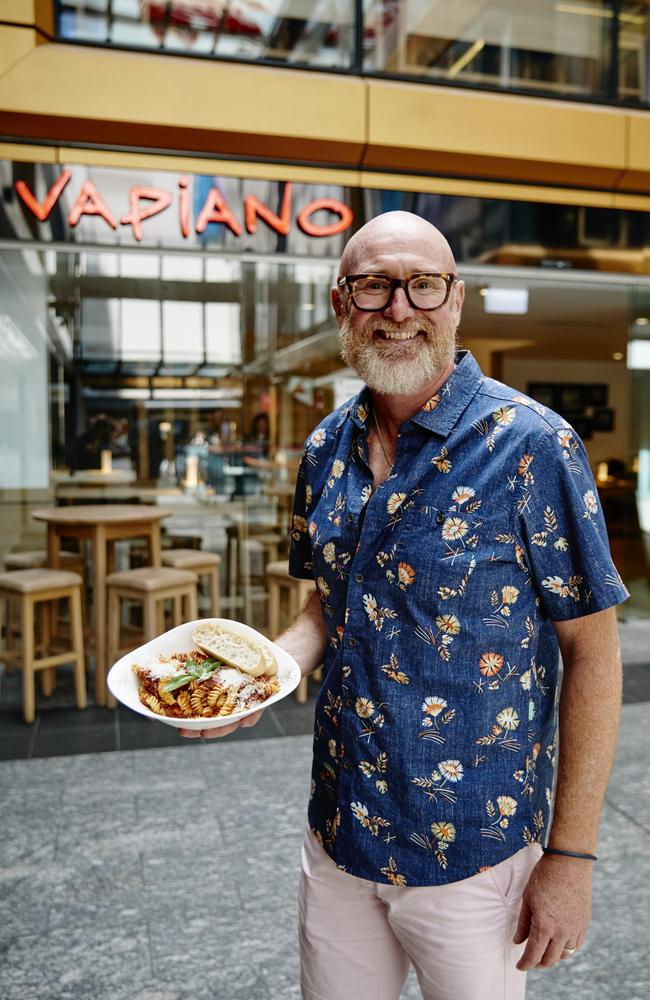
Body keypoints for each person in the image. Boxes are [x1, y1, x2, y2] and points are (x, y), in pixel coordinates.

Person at [181, 212, 627, 1000]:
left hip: (474, 851)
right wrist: (270, 671)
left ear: (455, 301)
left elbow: (594, 652)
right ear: (339, 303)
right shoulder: (325, 449)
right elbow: (331, 602)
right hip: (341, 830)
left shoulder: (531, 445)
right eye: (375, 285)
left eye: (423, 285)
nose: (399, 308)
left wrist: (571, 859)